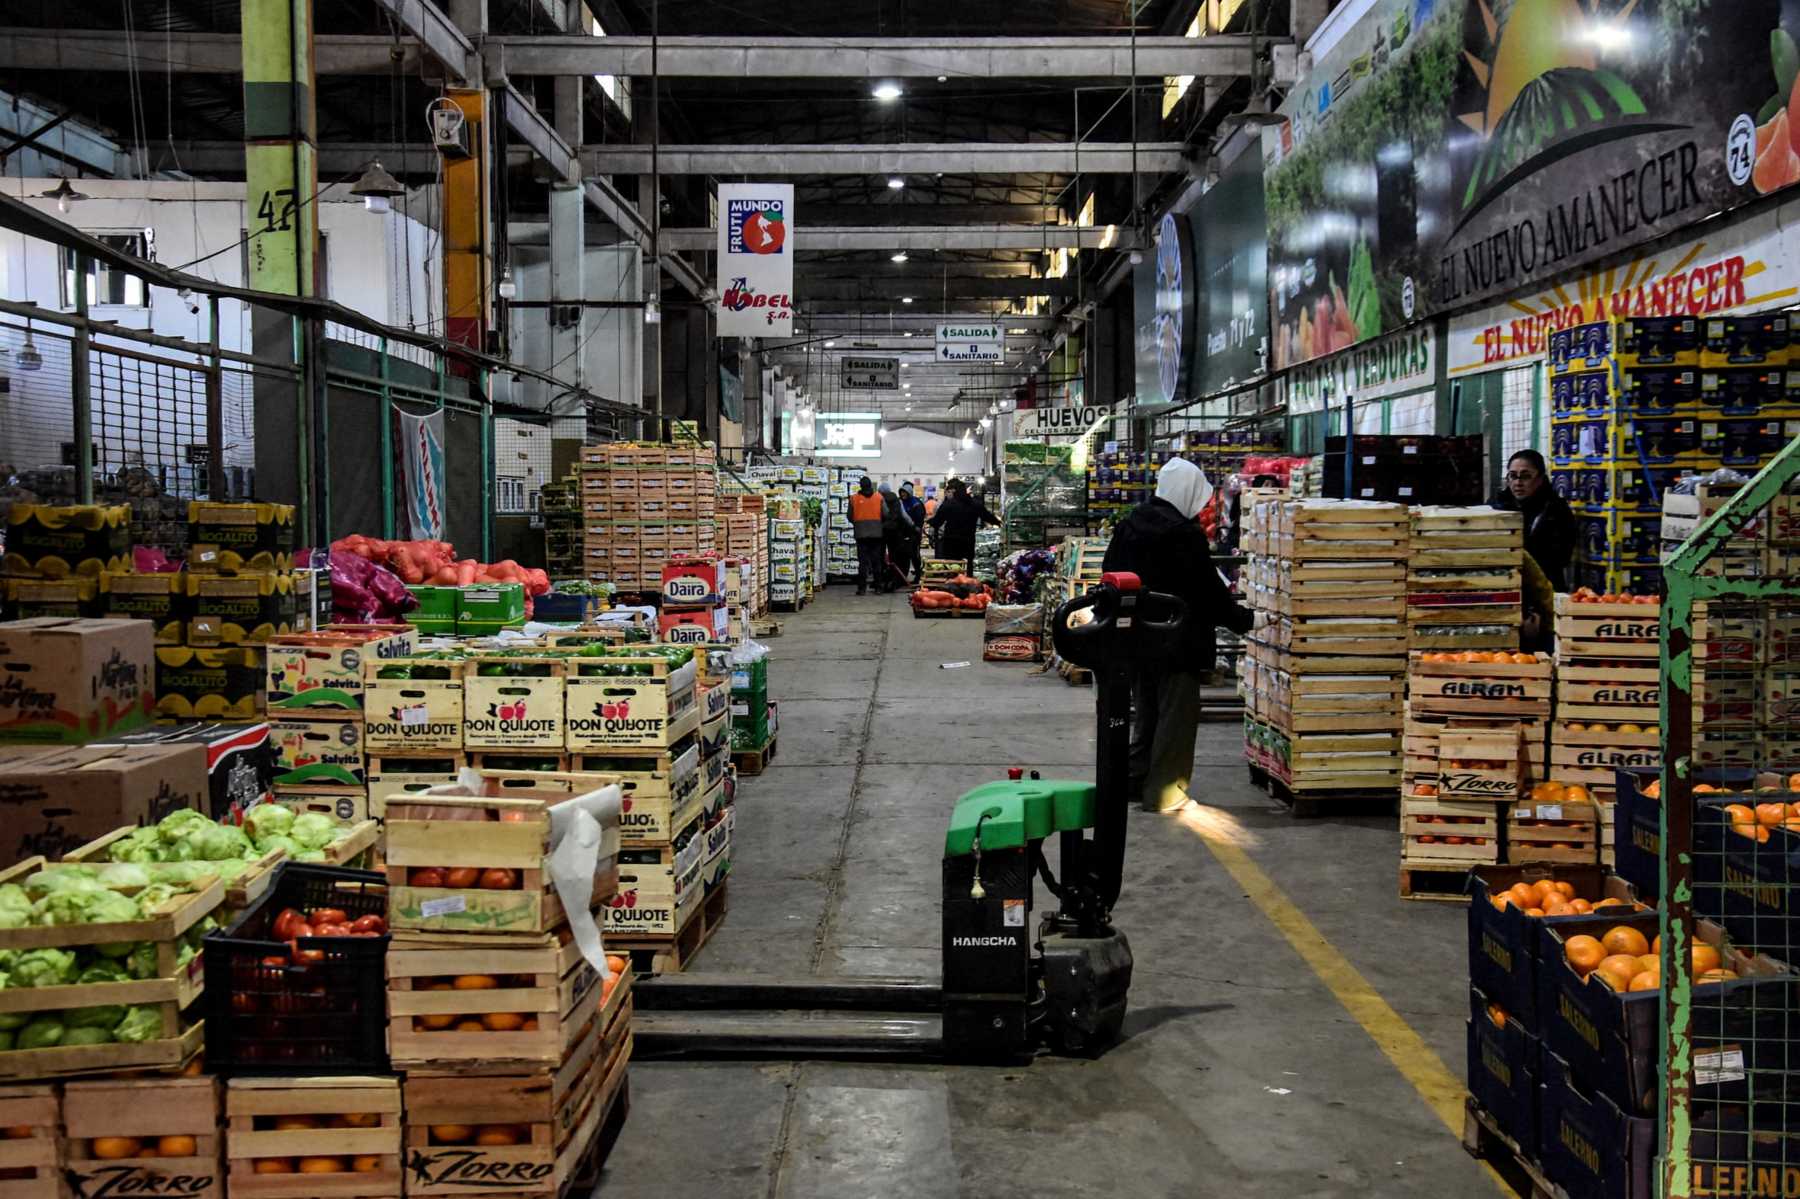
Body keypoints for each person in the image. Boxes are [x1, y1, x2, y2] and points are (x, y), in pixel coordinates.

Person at [1102, 457, 1256, 813]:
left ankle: (1134, 781)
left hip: (1138, 638)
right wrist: (1245, 620)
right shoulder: (1184, 535)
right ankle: (1165, 793)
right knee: (1176, 719)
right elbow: (1207, 592)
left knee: (1147, 713)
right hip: (1178, 643)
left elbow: (1110, 572)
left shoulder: (1130, 525)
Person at [1490, 449, 1577, 592]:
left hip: (1543, 587)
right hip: (1503, 585)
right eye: (1513, 476)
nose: (1518, 483)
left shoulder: (1555, 510)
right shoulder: (1498, 506)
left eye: (1525, 476)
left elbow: (1560, 557)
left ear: (1540, 478)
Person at [928, 478, 1000, 571]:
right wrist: (999, 523)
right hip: (968, 542)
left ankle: (953, 583)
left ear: (954, 491)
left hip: (951, 542)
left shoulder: (948, 504)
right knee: (967, 567)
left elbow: (937, 522)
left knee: (952, 568)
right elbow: (987, 517)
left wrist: (929, 522)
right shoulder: (975, 504)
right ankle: (967, 583)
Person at [847, 476, 886, 595]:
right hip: (876, 535)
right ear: (871, 485)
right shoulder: (879, 497)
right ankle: (878, 587)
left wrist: (859, 524)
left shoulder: (853, 498)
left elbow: (849, 516)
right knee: (876, 562)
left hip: (861, 535)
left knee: (863, 562)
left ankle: (861, 588)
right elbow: (886, 514)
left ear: (860, 485)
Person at [877, 482, 913, 592]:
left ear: (881, 492)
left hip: (883, 532)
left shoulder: (880, 500)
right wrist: (912, 525)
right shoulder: (897, 500)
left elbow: (881, 514)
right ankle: (895, 580)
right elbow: (904, 515)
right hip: (896, 533)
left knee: (881, 557)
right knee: (895, 558)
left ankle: (882, 580)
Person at [898, 483, 928, 581]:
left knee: (914, 555)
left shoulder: (916, 503)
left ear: (909, 492)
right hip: (904, 533)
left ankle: (918, 575)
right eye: (901, 492)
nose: (902, 494)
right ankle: (903, 576)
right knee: (904, 556)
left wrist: (916, 528)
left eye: (904, 492)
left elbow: (920, 518)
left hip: (914, 533)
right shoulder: (901, 502)